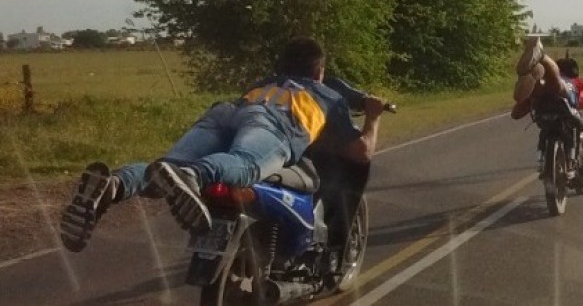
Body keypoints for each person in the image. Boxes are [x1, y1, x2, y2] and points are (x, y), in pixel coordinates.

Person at [60, 36, 386, 252]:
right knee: (243, 165)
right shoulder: (327, 95)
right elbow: (361, 153)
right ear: (320, 72)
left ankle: (115, 184)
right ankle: (195, 177)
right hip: (273, 124)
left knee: (169, 167)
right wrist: (373, 116)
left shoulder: (265, 83)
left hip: (228, 111)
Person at [510, 37, 583, 120]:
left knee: (540, 89)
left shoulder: (549, 81)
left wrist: (526, 99)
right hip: (563, 95)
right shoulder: (580, 84)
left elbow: (515, 114)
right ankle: (541, 55)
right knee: (557, 86)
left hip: (542, 95)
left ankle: (534, 74)